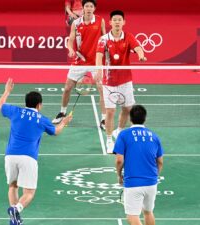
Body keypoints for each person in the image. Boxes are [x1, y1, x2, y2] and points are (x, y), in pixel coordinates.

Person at [0, 78, 72, 225]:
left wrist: (7, 91)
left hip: (10, 155)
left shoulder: (16, 111)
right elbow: (56, 131)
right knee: (29, 192)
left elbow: (0, 105)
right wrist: (64, 122)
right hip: (28, 158)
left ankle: (14, 219)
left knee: (13, 186)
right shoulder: (42, 119)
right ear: (39, 105)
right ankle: (16, 209)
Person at [96, 10, 147, 153]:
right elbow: (99, 56)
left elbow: (138, 48)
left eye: (120, 20)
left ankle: (119, 130)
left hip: (125, 80)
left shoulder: (128, 36)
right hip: (109, 81)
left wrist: (141, 55)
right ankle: (109, 141)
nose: (117, 22)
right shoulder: (103, 39)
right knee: (110, 111)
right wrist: (99, 69)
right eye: (115, 20)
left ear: (123, 22)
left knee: (127, 109)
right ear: (110, 22)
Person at [53, 0, 107, 130]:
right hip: (80, 60)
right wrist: (71, 50)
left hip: (96, 61)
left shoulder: (100, 21)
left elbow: (105, 37)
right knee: (67, 88)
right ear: (82, 8)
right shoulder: (76, 23)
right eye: (86, 6)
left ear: (94, 8)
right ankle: (62, 112)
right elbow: (70, 40)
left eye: (91, 6)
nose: (88, 8)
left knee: (102, 90)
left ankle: (104, 119)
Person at [114, 105, 164, 225]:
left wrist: (119, 175)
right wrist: (155, 175)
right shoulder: (154, 136)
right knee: (148, 212)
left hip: (133, 183)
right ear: (145, 119)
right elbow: (160, 161)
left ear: (130, 119)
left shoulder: (124, 135)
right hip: (151, 182)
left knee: (132, 216)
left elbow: (119, 160)